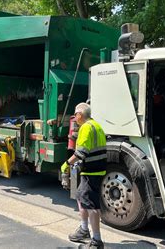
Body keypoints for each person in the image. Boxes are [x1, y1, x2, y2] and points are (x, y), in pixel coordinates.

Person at [61, 102, 107, 249]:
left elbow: (81, 153)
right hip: (94, 170)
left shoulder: (86, 128)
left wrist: (66, 164)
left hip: (92, 172)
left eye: (75, 115)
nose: (74, 118)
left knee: (92, 206)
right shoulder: (96, 125)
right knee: (81, 198)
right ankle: (84, 229)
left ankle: (97, 241)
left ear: (80, 115)